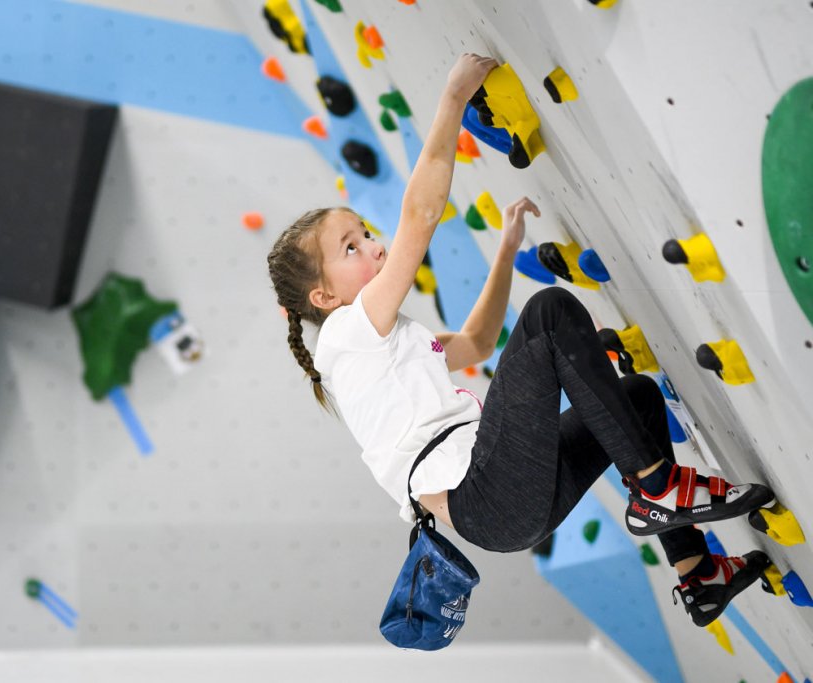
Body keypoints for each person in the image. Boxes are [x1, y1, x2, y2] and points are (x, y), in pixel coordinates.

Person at [266, 53, 776, 627]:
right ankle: (657, 488)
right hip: (487, 494)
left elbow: (477, 343)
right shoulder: (345, 335)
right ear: (323, 298)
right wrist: (453, 100)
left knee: (636, 399)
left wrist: (506, 251)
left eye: (365, 233)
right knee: (550, 312)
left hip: (504, 508)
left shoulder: (384, 352)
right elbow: (420, 215)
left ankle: (698, 576)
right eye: (351, 248)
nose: (375, 246)